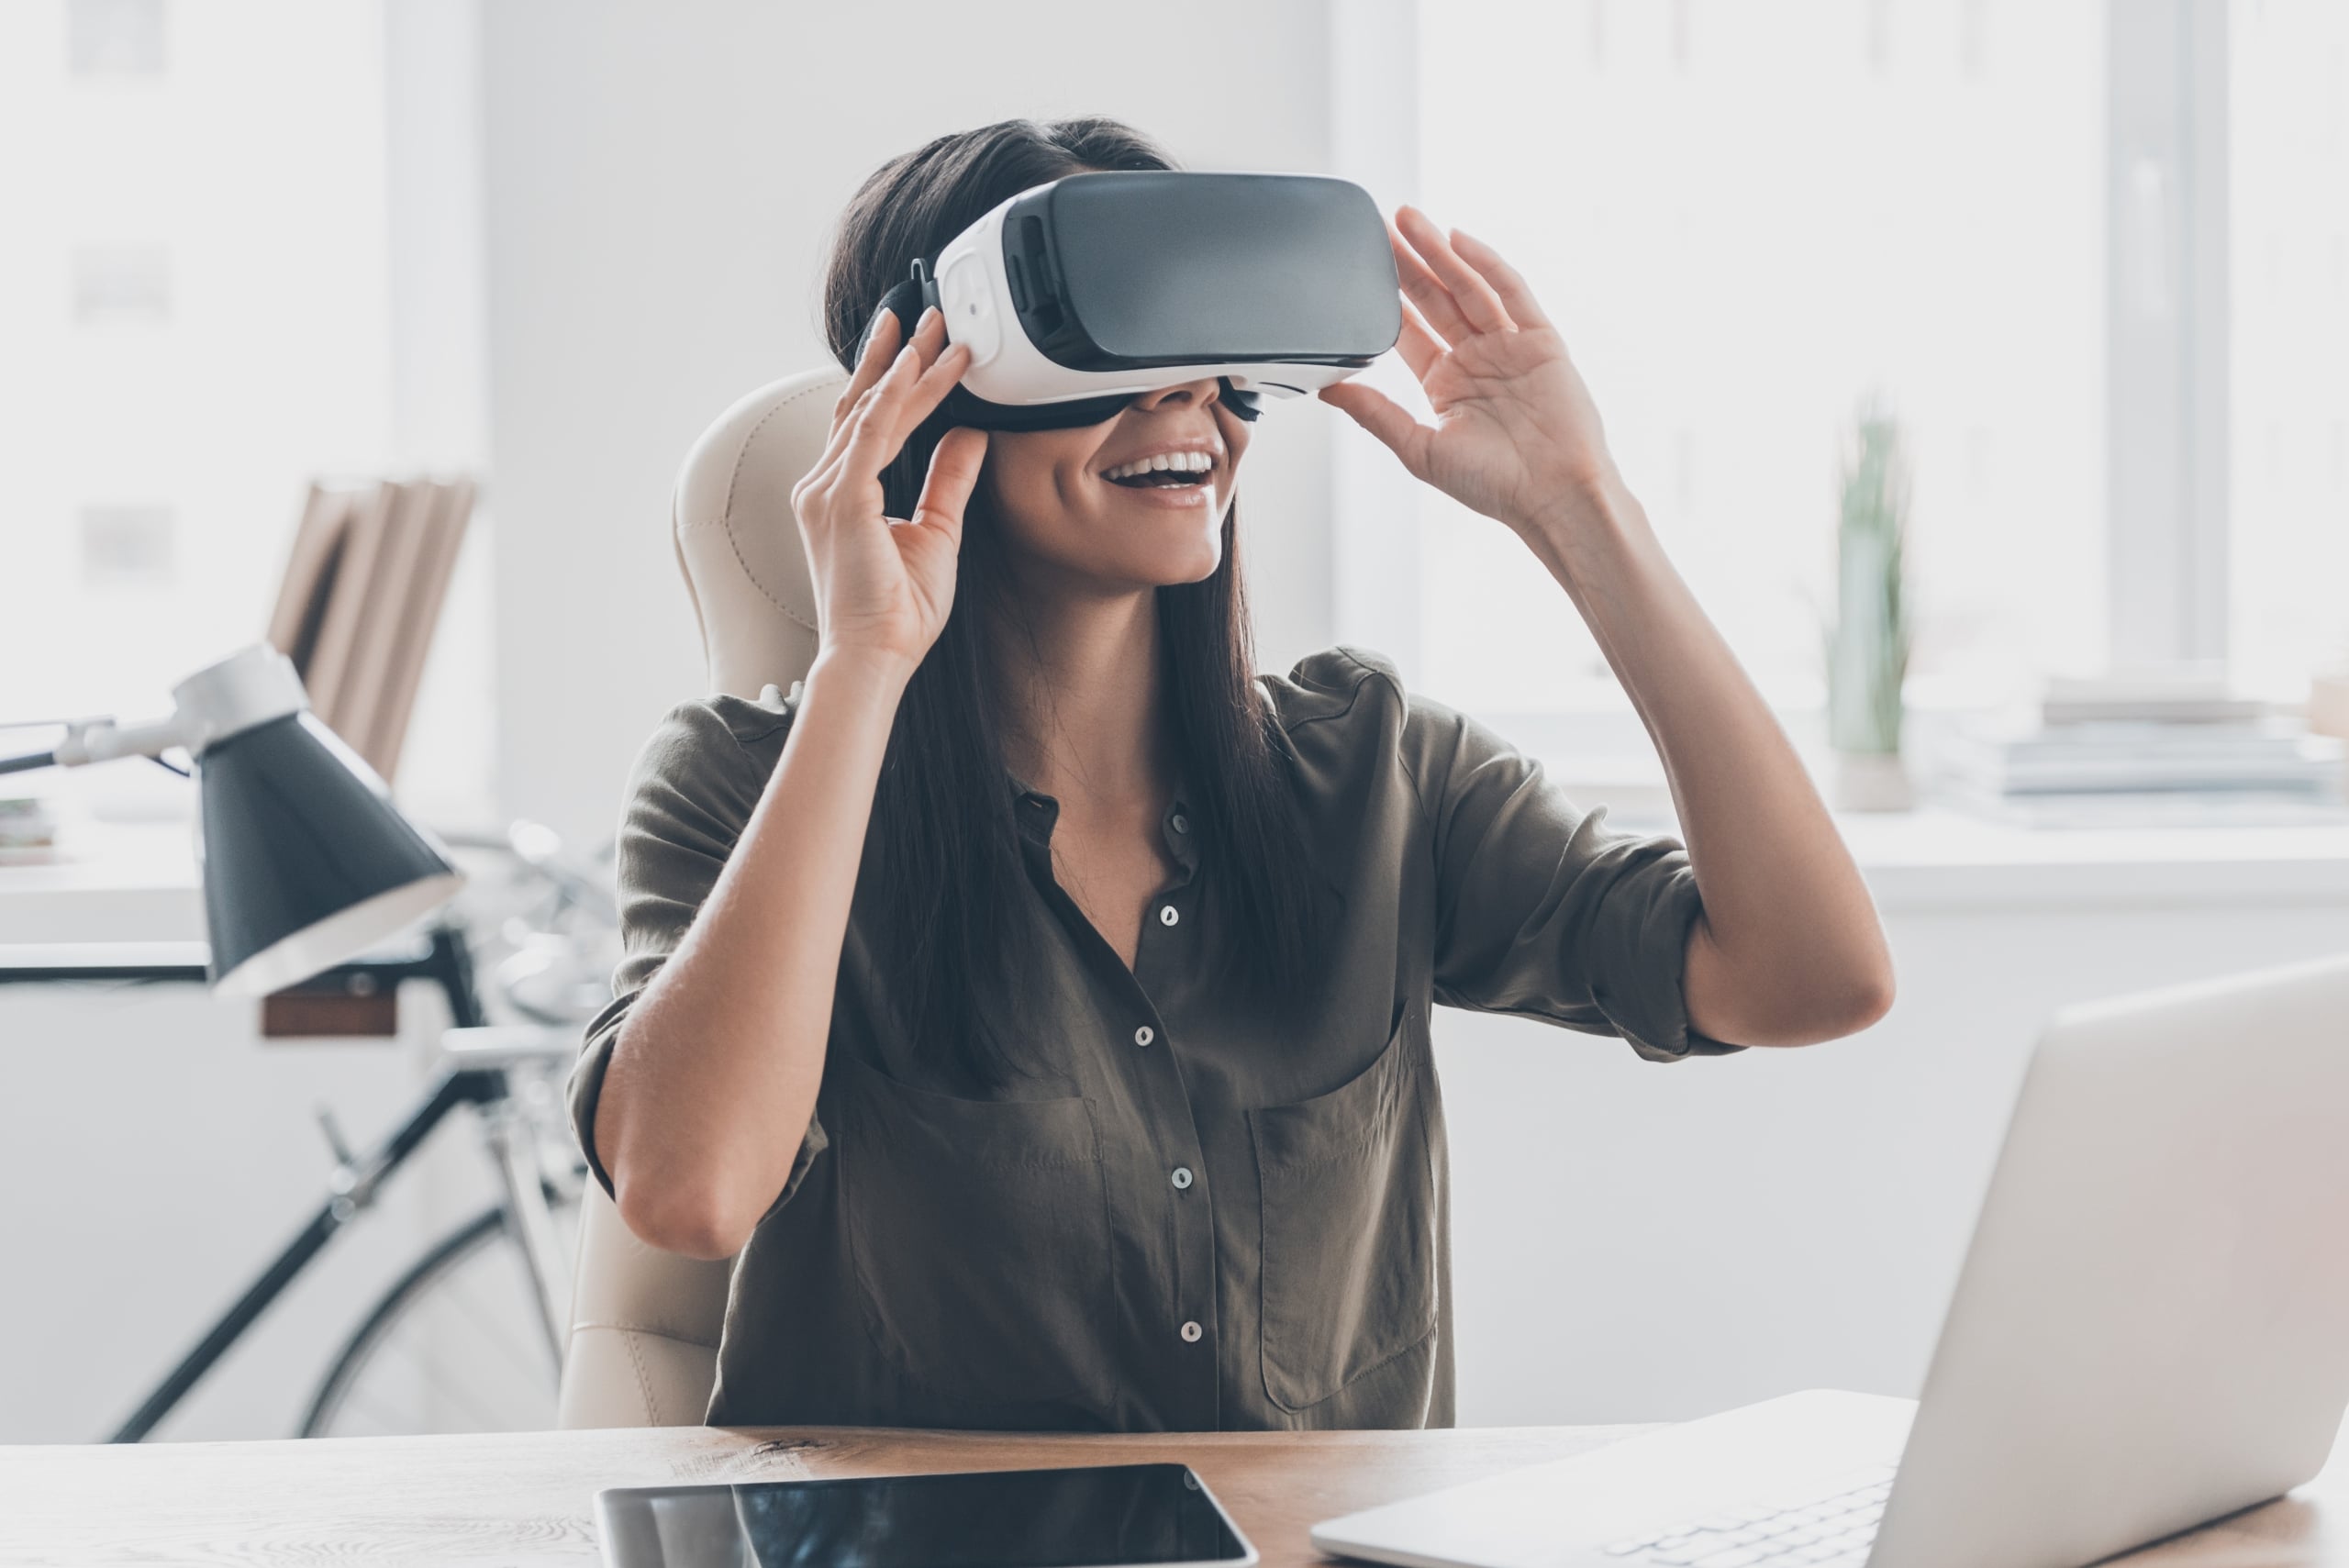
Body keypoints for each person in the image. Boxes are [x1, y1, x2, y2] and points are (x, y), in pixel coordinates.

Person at [568, 117, 1894, 1432]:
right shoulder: (741, 787)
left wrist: (1577, 504)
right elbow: (689, 1190)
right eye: (1112, 334)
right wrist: (865, 660)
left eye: (1208, 349)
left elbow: (1811, 977)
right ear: (925, 390)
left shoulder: (1370, 772)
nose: (1185, 394)